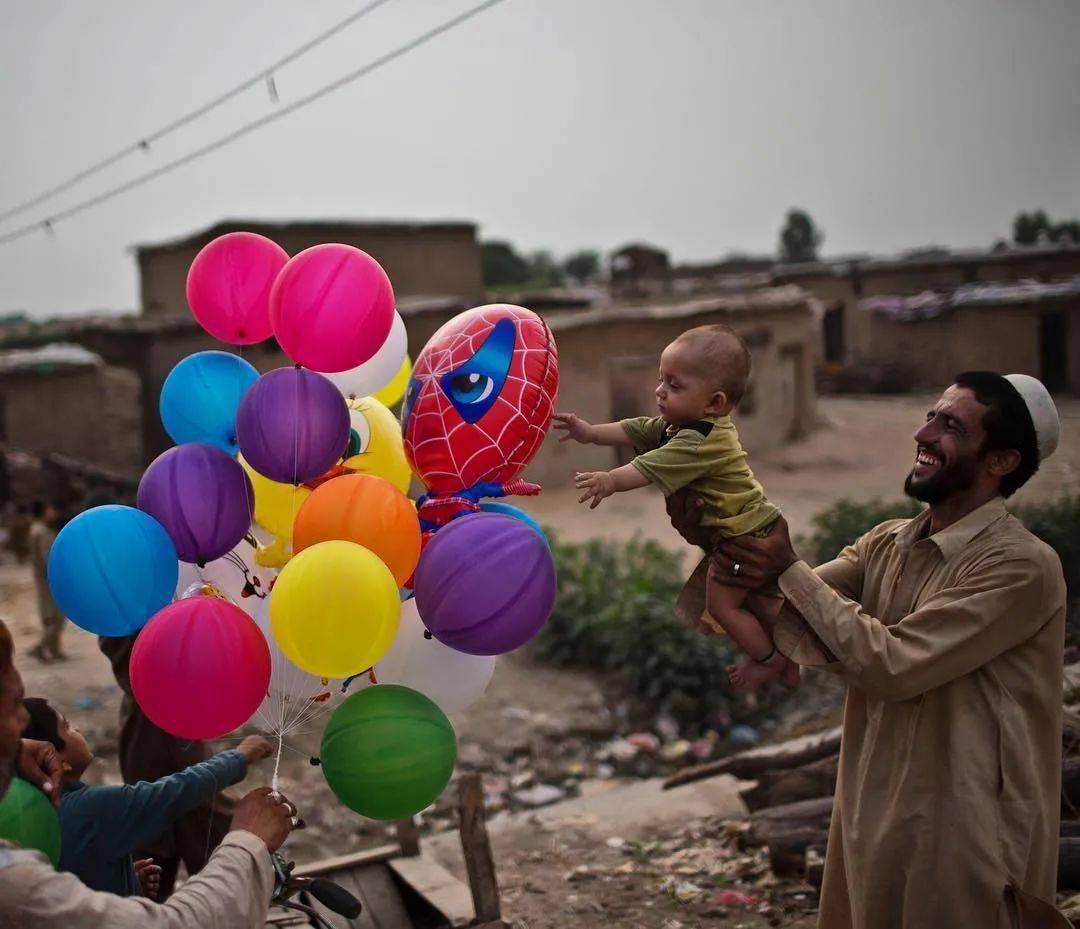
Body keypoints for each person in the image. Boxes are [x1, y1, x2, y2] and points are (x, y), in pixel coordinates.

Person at [668, 372, 1070, 928]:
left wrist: (787, 568)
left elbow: (895, 665)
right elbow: (784, 611)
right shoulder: (887, 543)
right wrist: (717, 534)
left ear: (1000, 461)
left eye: (950, 425)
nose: (923, 434)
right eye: (931, 415)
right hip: (873, 818)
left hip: (967, 835)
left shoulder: (1021, 565)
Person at [0, 618, 296, 927]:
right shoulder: (22, 881)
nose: (21, 724)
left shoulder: (44, 814)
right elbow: (175, 791)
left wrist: (125, 887)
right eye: (11, 707)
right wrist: (247, 841)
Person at [553, 324, 796, 688]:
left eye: (674, 385)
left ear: (714, 402)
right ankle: (787, 654)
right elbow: (635, 429)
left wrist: (610, 480)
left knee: (722, 606)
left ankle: (769, 659)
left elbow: (648, 467)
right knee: (758, 602)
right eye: (661, 380)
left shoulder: (699, 441)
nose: (660, 391)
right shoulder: (681, 425)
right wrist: (589, 433)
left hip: (746, 540)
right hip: (749, 531)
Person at [21, 696, 274, 897]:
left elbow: (78, 885)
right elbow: (177, 791)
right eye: (66, 726)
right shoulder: (92, 808)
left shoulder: (30, 814)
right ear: (55, 758)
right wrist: (240, 756)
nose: (76, 728)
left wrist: (125, 881)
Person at [98, 632, 241, 899]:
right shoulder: (154, 706)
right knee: (182, 824)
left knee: (160, 832)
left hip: (163, 716)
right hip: (157, 718)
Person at [27, 500, 66, 663]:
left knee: (53, 616)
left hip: (44, 579)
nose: (53, 512)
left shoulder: (37, 529)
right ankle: (39, 648)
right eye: (50, 508)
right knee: (55, 618)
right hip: (49, 580)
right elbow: (47, 558)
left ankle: (54, 650)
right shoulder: (41, 532)